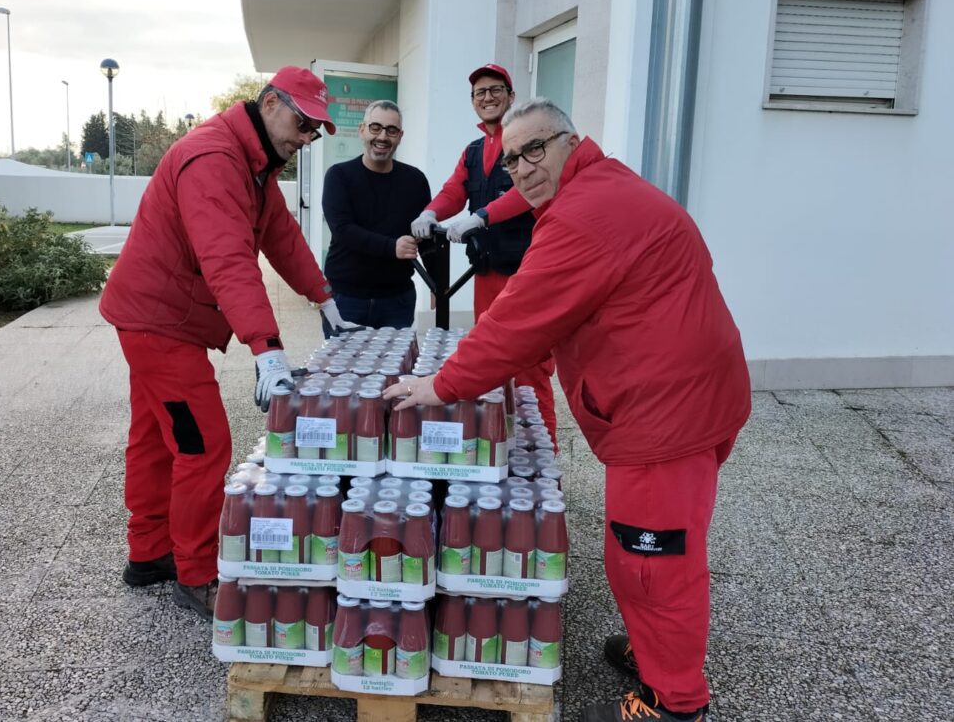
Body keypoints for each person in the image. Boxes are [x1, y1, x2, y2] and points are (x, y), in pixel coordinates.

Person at [388, 98, 751, 722]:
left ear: (570, 140)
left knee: (652, 562)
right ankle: (654, 653)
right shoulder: (603, 186)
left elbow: (519, 320)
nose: (523, 169)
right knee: (657, 550)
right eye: (510, 161)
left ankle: (675, 702)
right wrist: (463, 218)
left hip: (663, 414)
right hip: (688, 396)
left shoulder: (583, 215)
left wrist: (440, 386)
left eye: (535, 150)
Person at [98, 66, 360, 619]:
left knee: (154, 438)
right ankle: (196, 574)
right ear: (269, 103)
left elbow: (281, 237)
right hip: (159, 323)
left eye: (316, 129)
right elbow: (228, 259)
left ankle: (149, 555)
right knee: (203, 443)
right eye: (303, 121)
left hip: (159, 318)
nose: (308, 136)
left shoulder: (257, 164)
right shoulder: (216, 159)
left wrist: (325, 297)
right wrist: (265, 347)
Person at [410, 64, 558, 443]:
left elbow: (529, 191)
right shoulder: (474, 150)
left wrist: (481, 216)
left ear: (511, 95)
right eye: (480, 93)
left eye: (495, 90)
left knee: (530, 369)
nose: (488, 97)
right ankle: (500, 442)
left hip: (527, 273)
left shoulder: (527, 141)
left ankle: (542, 457)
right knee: (492, 357)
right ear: (473, 102)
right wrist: (430, 213)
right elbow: (454, 190)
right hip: (486, 272)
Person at [320, 100, 431, 333]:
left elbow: (426, 236)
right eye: (375, 127)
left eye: (391, 130)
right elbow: (343, 230)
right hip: (346, 298)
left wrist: (436, 286)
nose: (382, 136)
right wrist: (392, 247)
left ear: (400, 136)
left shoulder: (415, 181)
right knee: (343, 369)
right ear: (362, 130)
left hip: (397, 300)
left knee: (396, 369)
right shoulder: (339, 176)